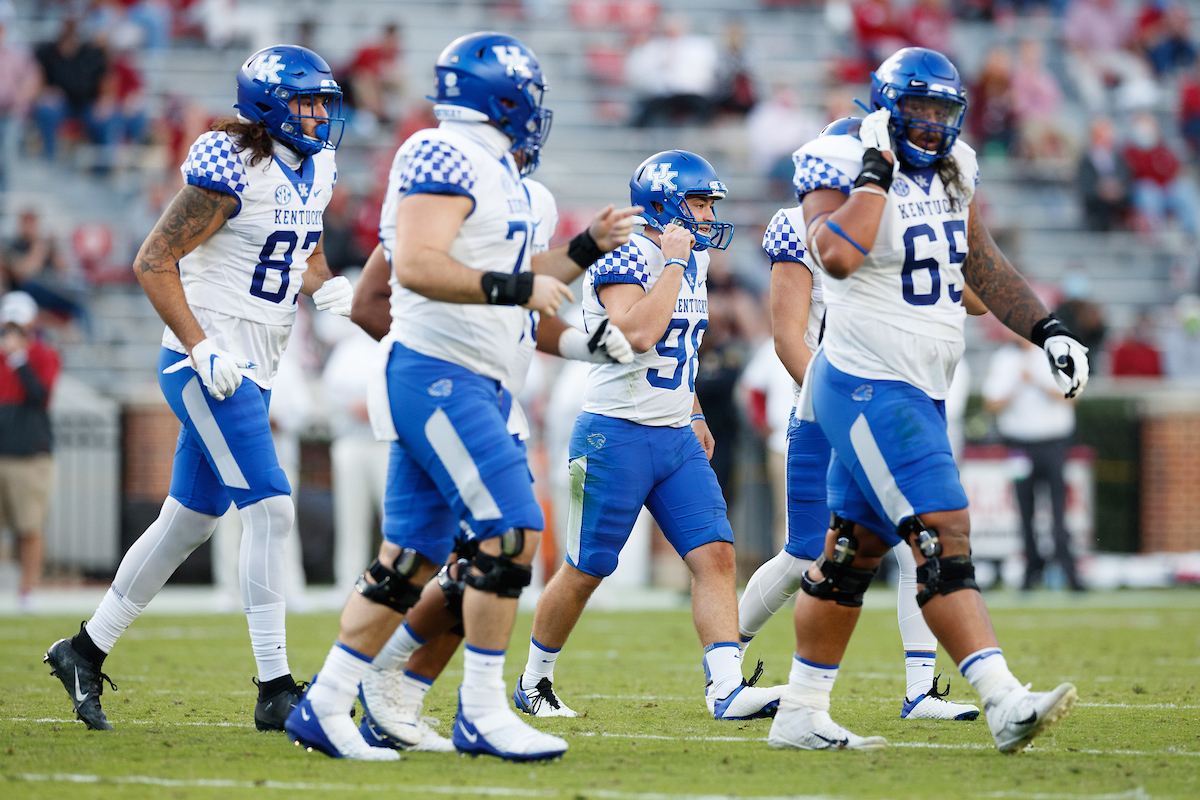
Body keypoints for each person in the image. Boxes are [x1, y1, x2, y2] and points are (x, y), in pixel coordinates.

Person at [285, 31, 640, 762]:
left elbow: (523, 280)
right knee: (511, 529)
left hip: (473, 376)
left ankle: (323, 704)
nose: (534, 108)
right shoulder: (440, 150)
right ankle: (480, 711)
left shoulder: (502, 172)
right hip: (437, 371)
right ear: (500, 96)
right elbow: (417, 265)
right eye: (526, 94)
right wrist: (516, 286)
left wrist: (583, 252)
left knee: (409, 560)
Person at [770, 47, 1089, 753]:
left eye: (942, 110)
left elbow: (982, 261)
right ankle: (1003, 699)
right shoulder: (839, 156)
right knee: (942, 531)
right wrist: (875, 174)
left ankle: (800, 710)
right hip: (865, 379)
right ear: (887, 107)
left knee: (851, 554)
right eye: (916, 107)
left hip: (922, 383)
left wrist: (1048, 329)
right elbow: (836, 256)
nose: (930, 123)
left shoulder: (955, 166)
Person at [44, 45, 352, 733]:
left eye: (323, 102)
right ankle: (274, 688)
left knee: (187, 521)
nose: (320, 114)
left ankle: (83, 651)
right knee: (271, 510)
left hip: (258, 366)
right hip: (208, 363)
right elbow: (153, 260)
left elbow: (302, 248)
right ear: (270, 106)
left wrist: (326, 286)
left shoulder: (318, 166)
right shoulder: (230, 163)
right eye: (307, 101)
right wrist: (200, 344)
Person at [513, 150, 784, 724]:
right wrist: (674, 265)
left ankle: (726, 688)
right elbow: (636, 333)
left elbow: (679, 352)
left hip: (674, 434)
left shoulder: (693, 260)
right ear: (664, 204)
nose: (708, 214)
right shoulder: (626, 253)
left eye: (710, 203)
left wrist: (695, 412)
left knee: (716, 554)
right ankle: (534, 680)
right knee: (587, 568)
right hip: (614, 434)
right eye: (699, 203)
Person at [737, 167, 980, 723]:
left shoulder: (903, 221)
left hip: (895, 409)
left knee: (918, 543)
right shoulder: (799, 225)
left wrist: (945, 240)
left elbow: (977, 301)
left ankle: (921, 690)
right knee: (806, 555)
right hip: (827, 411)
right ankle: (725, 659)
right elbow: (788, 338)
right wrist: (841, 405)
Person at [983, 335, 1083, 592]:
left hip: (1053, 443)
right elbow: (991, 404)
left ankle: (1069, 571)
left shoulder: (1056, 355)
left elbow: (1072, 396)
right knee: (1024, 510)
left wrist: (1037, 381)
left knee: (1059, 510)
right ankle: (1031, 571)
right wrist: (1017, 384)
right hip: (1019, 445)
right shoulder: (1004, 359)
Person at [0, 291, 60, 611]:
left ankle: (27, 591)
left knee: (29, 526)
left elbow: (40, 396)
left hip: (29, 456)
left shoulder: (43, 355)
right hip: (2, 451)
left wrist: (20, 361)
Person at [1077, 116, 1131, 232]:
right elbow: (1084, 183)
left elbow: (1126, 176)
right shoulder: (1086, 158)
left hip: (1118, 199)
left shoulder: (1118, 156)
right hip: (1096, 202)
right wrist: (1101, 189)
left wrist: (1116, 188)